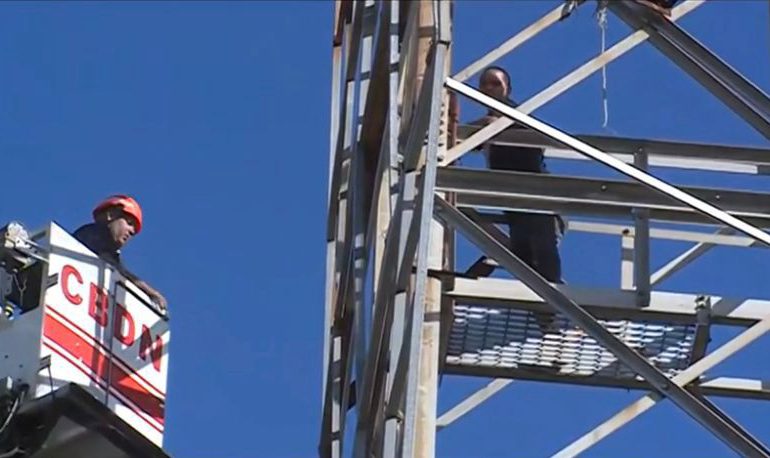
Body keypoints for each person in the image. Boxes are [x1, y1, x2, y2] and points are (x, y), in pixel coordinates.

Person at [469, 66, 564, 285]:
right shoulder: (488, 123)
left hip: (537, 196)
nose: (489, 88)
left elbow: (532, 136)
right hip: (514, 203)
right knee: (523, 256)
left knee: (541, 251)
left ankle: (551, 298)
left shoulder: (517, 114)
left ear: (507, 89)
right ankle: (544, 305)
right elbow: (467, 139)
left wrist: (493, 126)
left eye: (496, 84)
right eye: (485, 84)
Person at [73, 195, 168, 313]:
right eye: (129, 222)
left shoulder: (114, 257)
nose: (131, 231)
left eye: (133, 230)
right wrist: (149, 291)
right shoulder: (90, 233)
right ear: (110, 215)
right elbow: (113, 265)